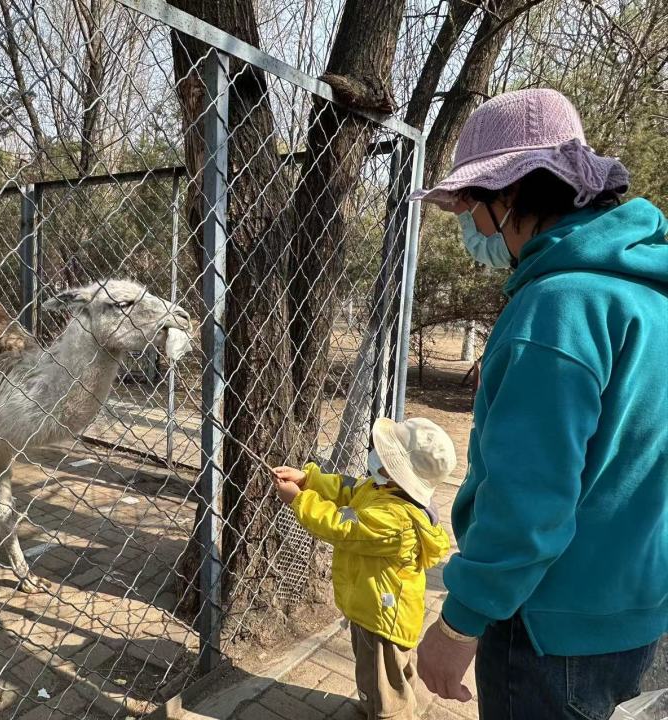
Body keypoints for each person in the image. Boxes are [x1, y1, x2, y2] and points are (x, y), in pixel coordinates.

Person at [411, 87, 668, 719]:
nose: (471, 225)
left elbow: (529, 500)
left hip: (547, 631)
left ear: (511, 194)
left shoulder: (557, 309)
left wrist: (459, 624)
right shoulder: (650, 298)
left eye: (473, 203)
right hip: (633, 614)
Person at [272, 417, 455, 720]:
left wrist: (300, 500)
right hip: (373, 607)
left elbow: (341, 526)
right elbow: (347, 487)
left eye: (386, 456)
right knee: (387, 673)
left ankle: (388, 713)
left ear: (400, 473)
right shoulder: (382, 487)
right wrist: (308, 479)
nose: (376, 455)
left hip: (382, 617)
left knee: (381, 679)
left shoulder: (394, 520)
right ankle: (383, 706)